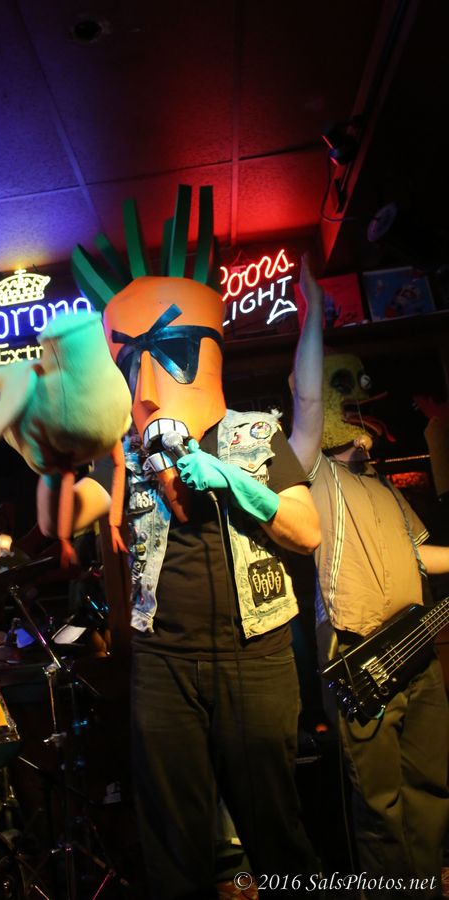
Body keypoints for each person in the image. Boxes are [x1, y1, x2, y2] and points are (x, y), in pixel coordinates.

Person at [38, 187, 322, 898]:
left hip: (257, 658)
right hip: (164, 664)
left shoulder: (255, 434)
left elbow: (307, 531)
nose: (147, 380)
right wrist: (52, 457)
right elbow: (63, 521)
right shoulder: (125, 458)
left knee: (275, 829)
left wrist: (233, 480)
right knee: (173, 841)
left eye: (164, 353)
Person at [289, 255, 449, 898]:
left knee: (432, 784)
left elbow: (422, 556)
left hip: (418, 647)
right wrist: (312, 313)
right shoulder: (314, 474)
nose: (362, 404)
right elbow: (306, 402)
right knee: (379, 803)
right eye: (346, 392)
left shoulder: (384, 487)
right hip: (360, 654)